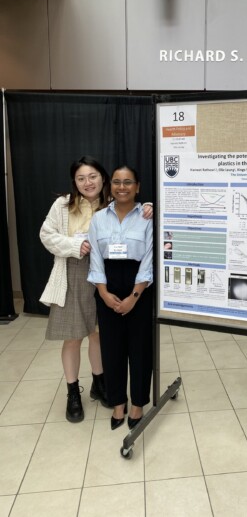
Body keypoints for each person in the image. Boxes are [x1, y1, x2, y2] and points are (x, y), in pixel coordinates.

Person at [39, 156, 152, 423]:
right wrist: (73, 245)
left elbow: (136, 211)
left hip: (110, 275)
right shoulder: (63, 204)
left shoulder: (112, 201)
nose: (87, 182)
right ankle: (73, 392)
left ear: (103, 179)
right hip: (75, 272)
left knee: (100, 336)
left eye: (92, 177)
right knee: (73, 336)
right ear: (74, 182)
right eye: (81, 178)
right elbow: (46, 235)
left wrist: (149, 207)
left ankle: (100, 383)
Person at [88, 165, 153, 430]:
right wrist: (103, 293)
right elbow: (95, 258)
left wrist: (134, 296)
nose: (122, 187)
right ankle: (118, 402)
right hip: (108, 286)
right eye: (116, 182)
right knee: (112, 349)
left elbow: (149, 259)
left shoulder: (147, 217)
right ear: (110, 186)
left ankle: (137, 403)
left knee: (140, 349)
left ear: (137, 186)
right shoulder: (99, 218)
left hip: (140, 287)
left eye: (128, 182)